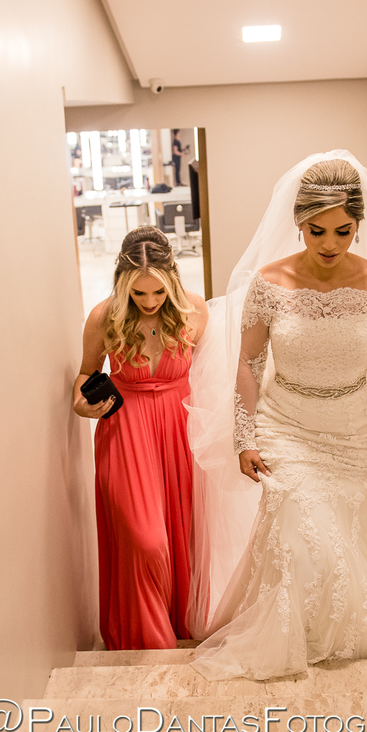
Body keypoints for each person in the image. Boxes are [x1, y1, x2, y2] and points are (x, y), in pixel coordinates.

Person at [187, 152, 367, 681]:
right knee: (299, 538)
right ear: (298, 224)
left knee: (344, 535)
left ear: (358, 225)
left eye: (343, 231)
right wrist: (245, 437)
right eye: (317, 231)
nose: (330, 244)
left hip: (351, 429)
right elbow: (249, 364)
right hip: (286, 425)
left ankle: (340, 629)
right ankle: (291, 634)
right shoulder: (269, 283)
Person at [73, 226, 209, 650]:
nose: (149, 302)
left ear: (173, 280)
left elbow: (211, 375)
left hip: (179, 428)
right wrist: (81, 404)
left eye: (158, 292)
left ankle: (179, 624)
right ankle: (149, 642)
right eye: (138, 293)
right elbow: (86, 373)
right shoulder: (104, 317)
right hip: (125, 430)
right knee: (146, 540)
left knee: (182, 533)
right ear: (123, 284)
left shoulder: (194, 311)